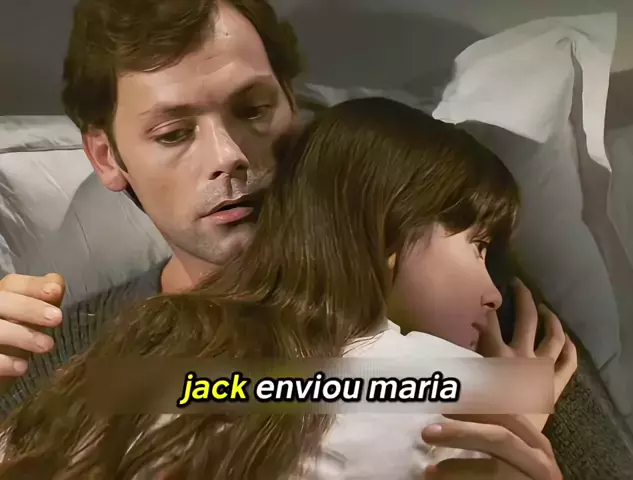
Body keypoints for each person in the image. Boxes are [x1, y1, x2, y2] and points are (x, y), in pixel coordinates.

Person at [0, 97, 567, 480]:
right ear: (388, 226)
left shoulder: (152, 337)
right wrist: (510, 406)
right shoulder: (437, 383)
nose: (496, 293)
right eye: (478, 246)